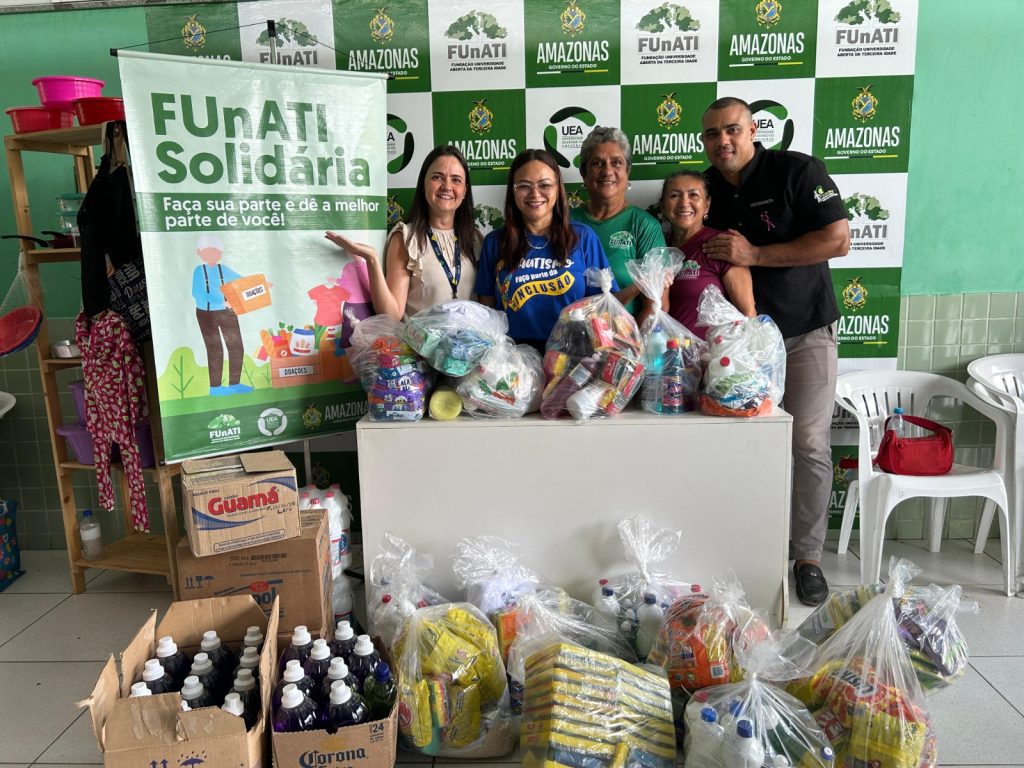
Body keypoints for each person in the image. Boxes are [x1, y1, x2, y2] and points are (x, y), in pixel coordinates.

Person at [700, 97, 850, 606]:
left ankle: (807, 558)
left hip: (805, 331)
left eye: (732, 130)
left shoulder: (797, 171)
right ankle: (745, 547)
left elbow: (838, 239)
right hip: (741, 346)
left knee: (807, 442)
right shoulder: (707, 187)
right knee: (743, 446)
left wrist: (756, 254)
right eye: (712, 133)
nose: (723, 141)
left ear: (752, 130)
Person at [475, 149, 614, 349]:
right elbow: (486, 314)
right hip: (513, 359)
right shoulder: (495, 242)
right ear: (513, 191)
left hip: (572, 357)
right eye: (524, 186)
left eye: (545, 185)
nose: (535, 193)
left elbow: (604, 305)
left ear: (558, 188)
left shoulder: (583, 238)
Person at [325, 145, 481, 320]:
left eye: (456, 180)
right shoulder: (406, 238)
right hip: (420, 339)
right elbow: (392, 314)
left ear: (465, 190)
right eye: (437, 177)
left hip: (472, 338)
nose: (447, 186)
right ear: (423, 184)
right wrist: (372, 259)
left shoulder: (476, 239)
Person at [570, 126, 665, 313]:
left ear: (628, 170)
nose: (607, 171)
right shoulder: (564, 222)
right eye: (597, 163)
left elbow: (655, 307)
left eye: (616, 163)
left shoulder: (644, 226)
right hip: (567, 329)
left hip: (629, 331)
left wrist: (632, 334)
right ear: (583, 172)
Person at [659, 170, 756, 339]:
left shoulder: (723, 244)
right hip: (666, 352)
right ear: (662, 206)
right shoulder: (657, 249)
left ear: (707, 205)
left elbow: (748, 313)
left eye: (693, 195)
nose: (684, 203)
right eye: (675, 196)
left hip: (714, 352)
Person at [190, 233, 253, 396]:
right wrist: (221, 301)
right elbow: (197, 293)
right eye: (209, 251)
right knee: (215, 348)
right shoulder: (199, 271)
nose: (213, 254)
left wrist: (260, 284)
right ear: (199, 252)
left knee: (236, 346)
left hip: (227, 312)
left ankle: (235, 383)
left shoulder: (222, 269)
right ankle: (215, 387)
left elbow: (240, 280)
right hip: (206, 314)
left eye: (216, 251)